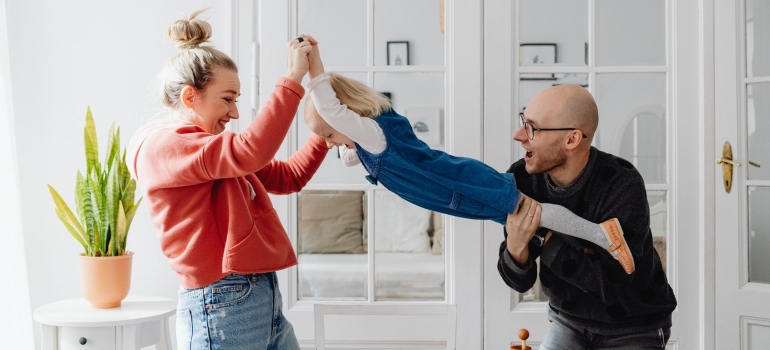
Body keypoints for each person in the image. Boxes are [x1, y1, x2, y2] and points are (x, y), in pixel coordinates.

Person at [301, 42, 634, 274]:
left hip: (456, 181)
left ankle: (602, 235)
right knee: (525, 222)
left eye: (329, 135)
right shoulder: (363, 144)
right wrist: (334, 141)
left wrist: (313, 67)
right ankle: (588, 242)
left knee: (529, 211)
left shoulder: (372, 134)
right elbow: (347, 154)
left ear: (350, 115)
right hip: (449, 195)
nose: (330, 144)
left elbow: (333, 111)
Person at [126, 11, 328, 350]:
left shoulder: (211, 150)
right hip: (220, 301)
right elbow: (252, 150)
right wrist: (293, 76)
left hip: (258, 294)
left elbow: (289, 177)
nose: (234, 113)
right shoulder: (165, 145)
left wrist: (326, 132)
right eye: (228, 99)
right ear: (191, 97)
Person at [497, 84, 677, 349]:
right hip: (568, 319)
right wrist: (515, 246)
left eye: (533, 127)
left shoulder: (621, 184)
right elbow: (519, 281)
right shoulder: (524, 178)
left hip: (635, 325)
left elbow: (611, 285)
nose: (518, 135)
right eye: (524, 121)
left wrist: (544, 241)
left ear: (571, 139)